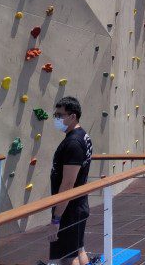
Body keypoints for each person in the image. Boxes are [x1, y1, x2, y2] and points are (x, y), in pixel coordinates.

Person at [48, 97, 93, 265]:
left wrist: (56, 219)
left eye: (60, 115)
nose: (57, 119)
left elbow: (68, 183)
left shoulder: (73, 142)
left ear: (73, 117)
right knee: (78, 249)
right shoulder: (83, 136)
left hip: (69, 208)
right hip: (77, 205)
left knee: (68, 257)